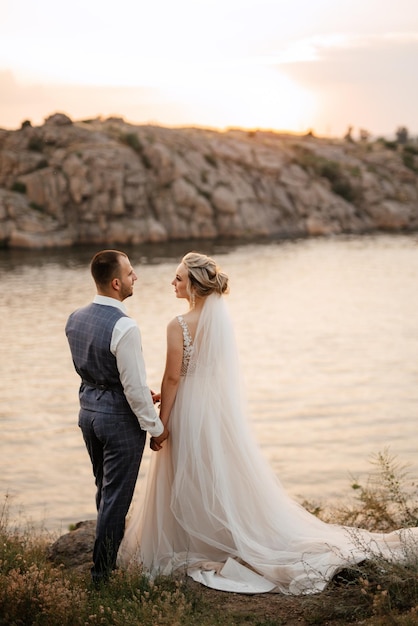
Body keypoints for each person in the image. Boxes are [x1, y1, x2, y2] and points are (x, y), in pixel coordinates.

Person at [118, 252, 418, 595]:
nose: (172, 283)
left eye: (179, 279)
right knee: (217, 473)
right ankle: (218, 536)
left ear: (196, 287)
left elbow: (172, 378)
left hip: (188, 408)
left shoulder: (178, 324)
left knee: (187, 471)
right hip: (215, 411)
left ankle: (196, 538)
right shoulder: (220, 322)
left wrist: (161, 424)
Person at [65, 249, 168, 586]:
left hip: (88, 414)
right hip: (118, 422)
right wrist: (156, 428)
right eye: (129, 273)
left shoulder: (75, 318)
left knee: (104, 489)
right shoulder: (125, 326)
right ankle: (102, 575)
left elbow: (95, 369)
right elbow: (135, 390)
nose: (134, 276)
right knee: (117, 498)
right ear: (115, 283)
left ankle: (104, 558)